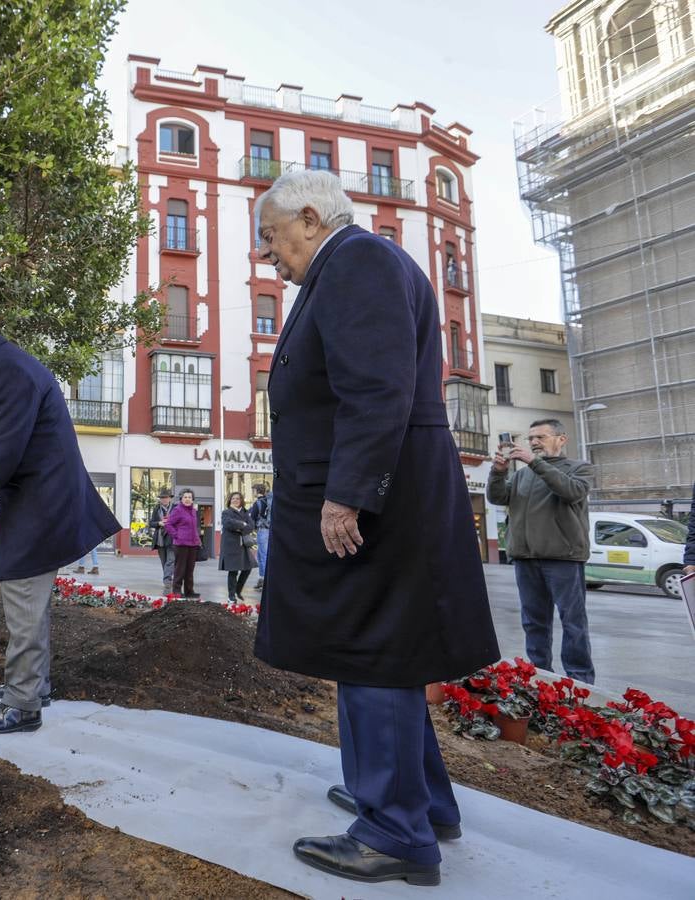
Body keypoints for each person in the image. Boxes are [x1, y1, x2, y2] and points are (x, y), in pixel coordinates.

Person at [251, 170, 499, 887]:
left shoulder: (355, 261)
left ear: (308, 216)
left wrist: (347, 495)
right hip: (388, 485)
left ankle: (395, 830)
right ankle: (421, 803)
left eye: (272, 235)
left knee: (373, 650)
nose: (269, 253)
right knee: (389, 647)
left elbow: (376, 386)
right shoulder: (356, 264)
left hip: (376, 497)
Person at [0, 304, 120, 734]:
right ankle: (35, 686)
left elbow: (6, 453)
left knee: (23, 596)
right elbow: (6, 445)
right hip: (34, 495)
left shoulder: (11, 369)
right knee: (28, 600)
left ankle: (22, 704)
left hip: (43, 500)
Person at [487, 419, 595, 684]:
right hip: (526, 557)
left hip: (563, 558)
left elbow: (571, 492)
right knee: (534, 623)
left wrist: (534, 462)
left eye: (541, 437)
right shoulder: (522, 474)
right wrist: (499, 472)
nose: (534, 442)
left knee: (573, 623)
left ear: (561, 439)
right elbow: (497, 498)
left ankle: (579, 681)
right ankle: (538, 676)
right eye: (531, 438)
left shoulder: (579, 468)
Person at [161, 489, 202, 599]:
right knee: (180, 568)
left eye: (189, 497)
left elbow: (194, 527)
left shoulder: (193, 511)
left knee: (190, 569)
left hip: (193, 544)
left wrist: (198, 539)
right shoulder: (178, 510)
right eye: (185, 497)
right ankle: (177, 591)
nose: (187, 499)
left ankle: (189, 591)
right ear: (181, 499)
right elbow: (168, 524)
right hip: (181, 544)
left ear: (192, 499)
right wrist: (177, 535)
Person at [220, 491, 255, 603]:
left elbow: (251, 527)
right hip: (231, 545)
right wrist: (243, 524)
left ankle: (238, 590)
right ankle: (231, 596)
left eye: (238, 499)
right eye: (233, 498)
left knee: (248, 568)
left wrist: (240, 527)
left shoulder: (245, 512)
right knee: (233, 571)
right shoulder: (226, 512)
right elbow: (228, 524)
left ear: (241, 501)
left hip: (243, 545)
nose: (235, 500)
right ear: (230, 500)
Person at [147, 488, 176, 592]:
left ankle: (167, 580)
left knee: (171, 560)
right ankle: (168, 578)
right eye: (162, 498)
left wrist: (170, 523)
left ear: (169, 498)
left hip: (172, 538)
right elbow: (151, 523)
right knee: (164, 561)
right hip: (160, 539)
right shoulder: (156, 509)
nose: (164, 499)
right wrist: (159, 523)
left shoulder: (175, 508)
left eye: (166, 497)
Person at [249, 483, 271, 590]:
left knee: (262, 555)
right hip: (271, 531)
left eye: (253, 490)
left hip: (262, 531)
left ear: (257, 491)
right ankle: (267, 578)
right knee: (268, 554)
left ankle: (263, 580)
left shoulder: (257, 503)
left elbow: (252, 518)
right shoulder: (269, 501)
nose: (252, 492)